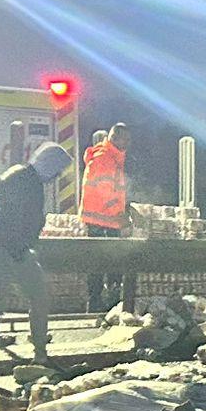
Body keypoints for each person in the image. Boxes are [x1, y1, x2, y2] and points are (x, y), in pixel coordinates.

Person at [0, 141, 67, 366]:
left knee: (10, 302)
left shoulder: (21, 177)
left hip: (7, 248)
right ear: (49, 164)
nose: (56, 176)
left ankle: (39, 353)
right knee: (30, 300)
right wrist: (22, 246)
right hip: (9, 250)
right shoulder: (28, 183)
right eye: (57, 170)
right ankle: (39, 355)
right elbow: (17, 220)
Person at [81, 123, 129, 311]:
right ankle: (97, 302)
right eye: (125, 139)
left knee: (107, 262)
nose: (128, 143)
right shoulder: (104, 158)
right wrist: (119, 214)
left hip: (107, 220)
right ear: (115, 138)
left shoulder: (112, 157)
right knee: (100, 263)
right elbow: (103, 191)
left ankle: (106, 301)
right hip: (102, 220)